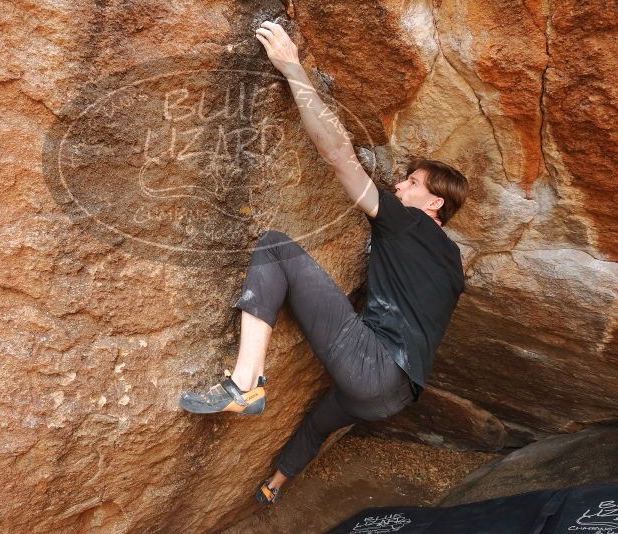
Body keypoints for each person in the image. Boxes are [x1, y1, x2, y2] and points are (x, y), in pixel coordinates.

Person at [178, 20, 469, 505]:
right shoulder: (453, 264)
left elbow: (340, 158)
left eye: (413, 183)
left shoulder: (408, 223)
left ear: (434, 204)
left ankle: (244, 383)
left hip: (374, 368)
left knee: (274, 245)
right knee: (320, 421)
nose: (400, 186)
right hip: (390, 398)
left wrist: (292, 66)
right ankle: (274, 487)